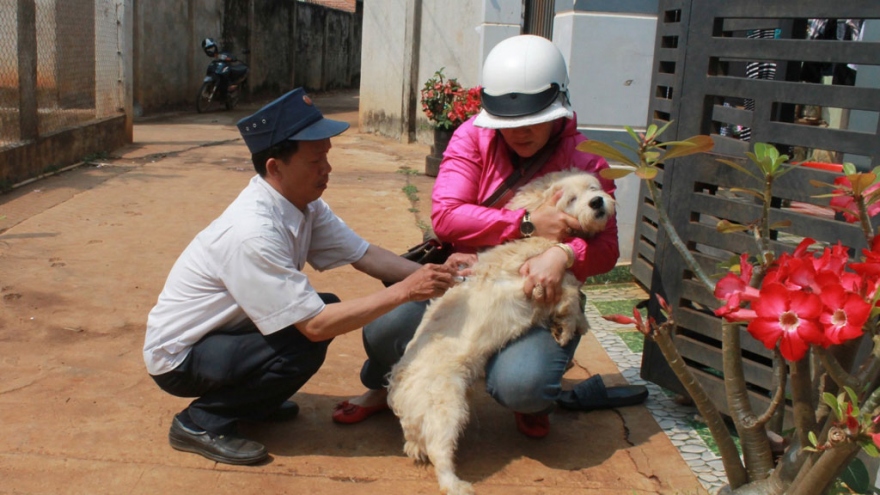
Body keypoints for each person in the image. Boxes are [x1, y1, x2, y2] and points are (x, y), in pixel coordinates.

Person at [333, 35, 647, 438]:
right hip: (466, 278)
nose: (520, 132)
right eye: (509, 123)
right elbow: (447, 217)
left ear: (559, 107)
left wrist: (562, 256)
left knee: (523, 385)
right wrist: (526, 224)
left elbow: (607, 250)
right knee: (384, 330)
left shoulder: (586, 159)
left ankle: (531, 393)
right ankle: (383, 385)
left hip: (536, 295)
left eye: (533, 120)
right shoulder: (473, 137)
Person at [143, 88, 460, 465]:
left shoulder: (303, 205)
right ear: (275, 167)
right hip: (182, 357)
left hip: (225, 334)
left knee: (322, 308)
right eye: (315, 160)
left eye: (327, 156)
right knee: (308, 338)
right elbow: (314, 327)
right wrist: (405, 292)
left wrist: (436, 275)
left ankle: (255, 402)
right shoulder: (251, 232)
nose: (327, 168)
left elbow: (365, 255)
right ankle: (201, 421)